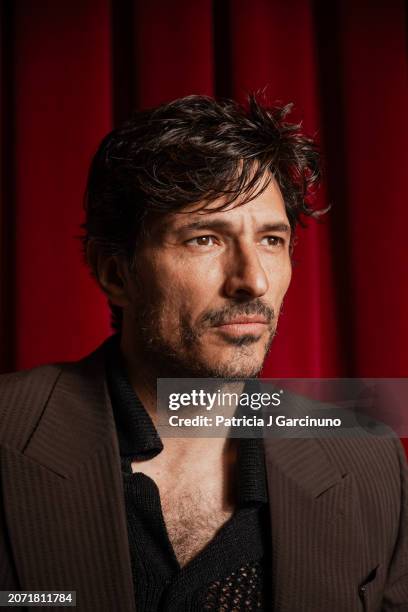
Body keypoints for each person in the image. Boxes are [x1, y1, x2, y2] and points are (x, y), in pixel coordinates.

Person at [0, 95, 407, 612]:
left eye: (272, 239)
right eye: (205, 238)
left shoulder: (369, 458)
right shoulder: (8, 433)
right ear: (115, 272)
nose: (252, 280)